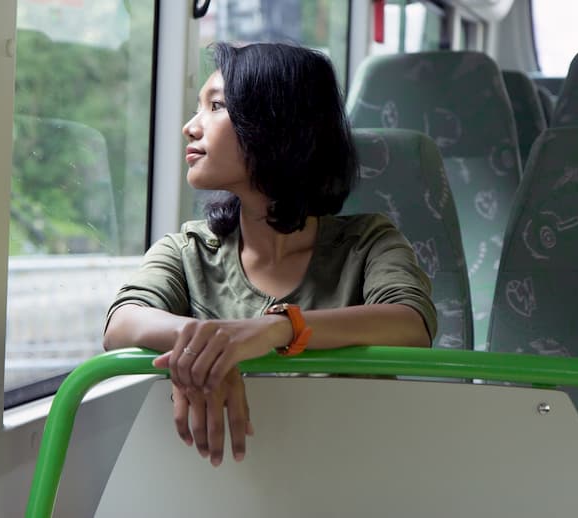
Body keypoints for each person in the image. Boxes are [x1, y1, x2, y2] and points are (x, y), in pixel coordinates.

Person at [103, 42, 436, 468]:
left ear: (276, 125)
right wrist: (212, 348)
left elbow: (411, 324)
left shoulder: (368, 242)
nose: (190, 126)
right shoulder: (187, 252)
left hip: (355, 471)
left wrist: (274, 330)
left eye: (216, 106)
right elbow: (123, 322)